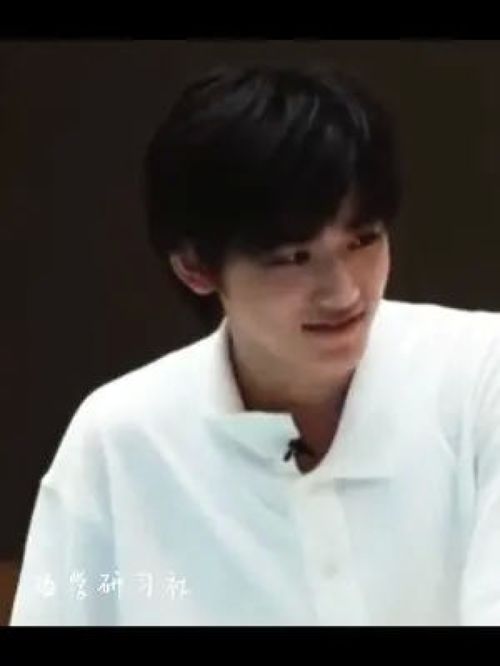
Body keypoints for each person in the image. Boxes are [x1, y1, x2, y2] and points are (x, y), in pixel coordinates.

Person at [10, 64, 500, 626]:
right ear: (195, 267)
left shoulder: (480, 375)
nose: (344, 292)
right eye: (294, 258)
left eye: (363, 240)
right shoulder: (120, 440)